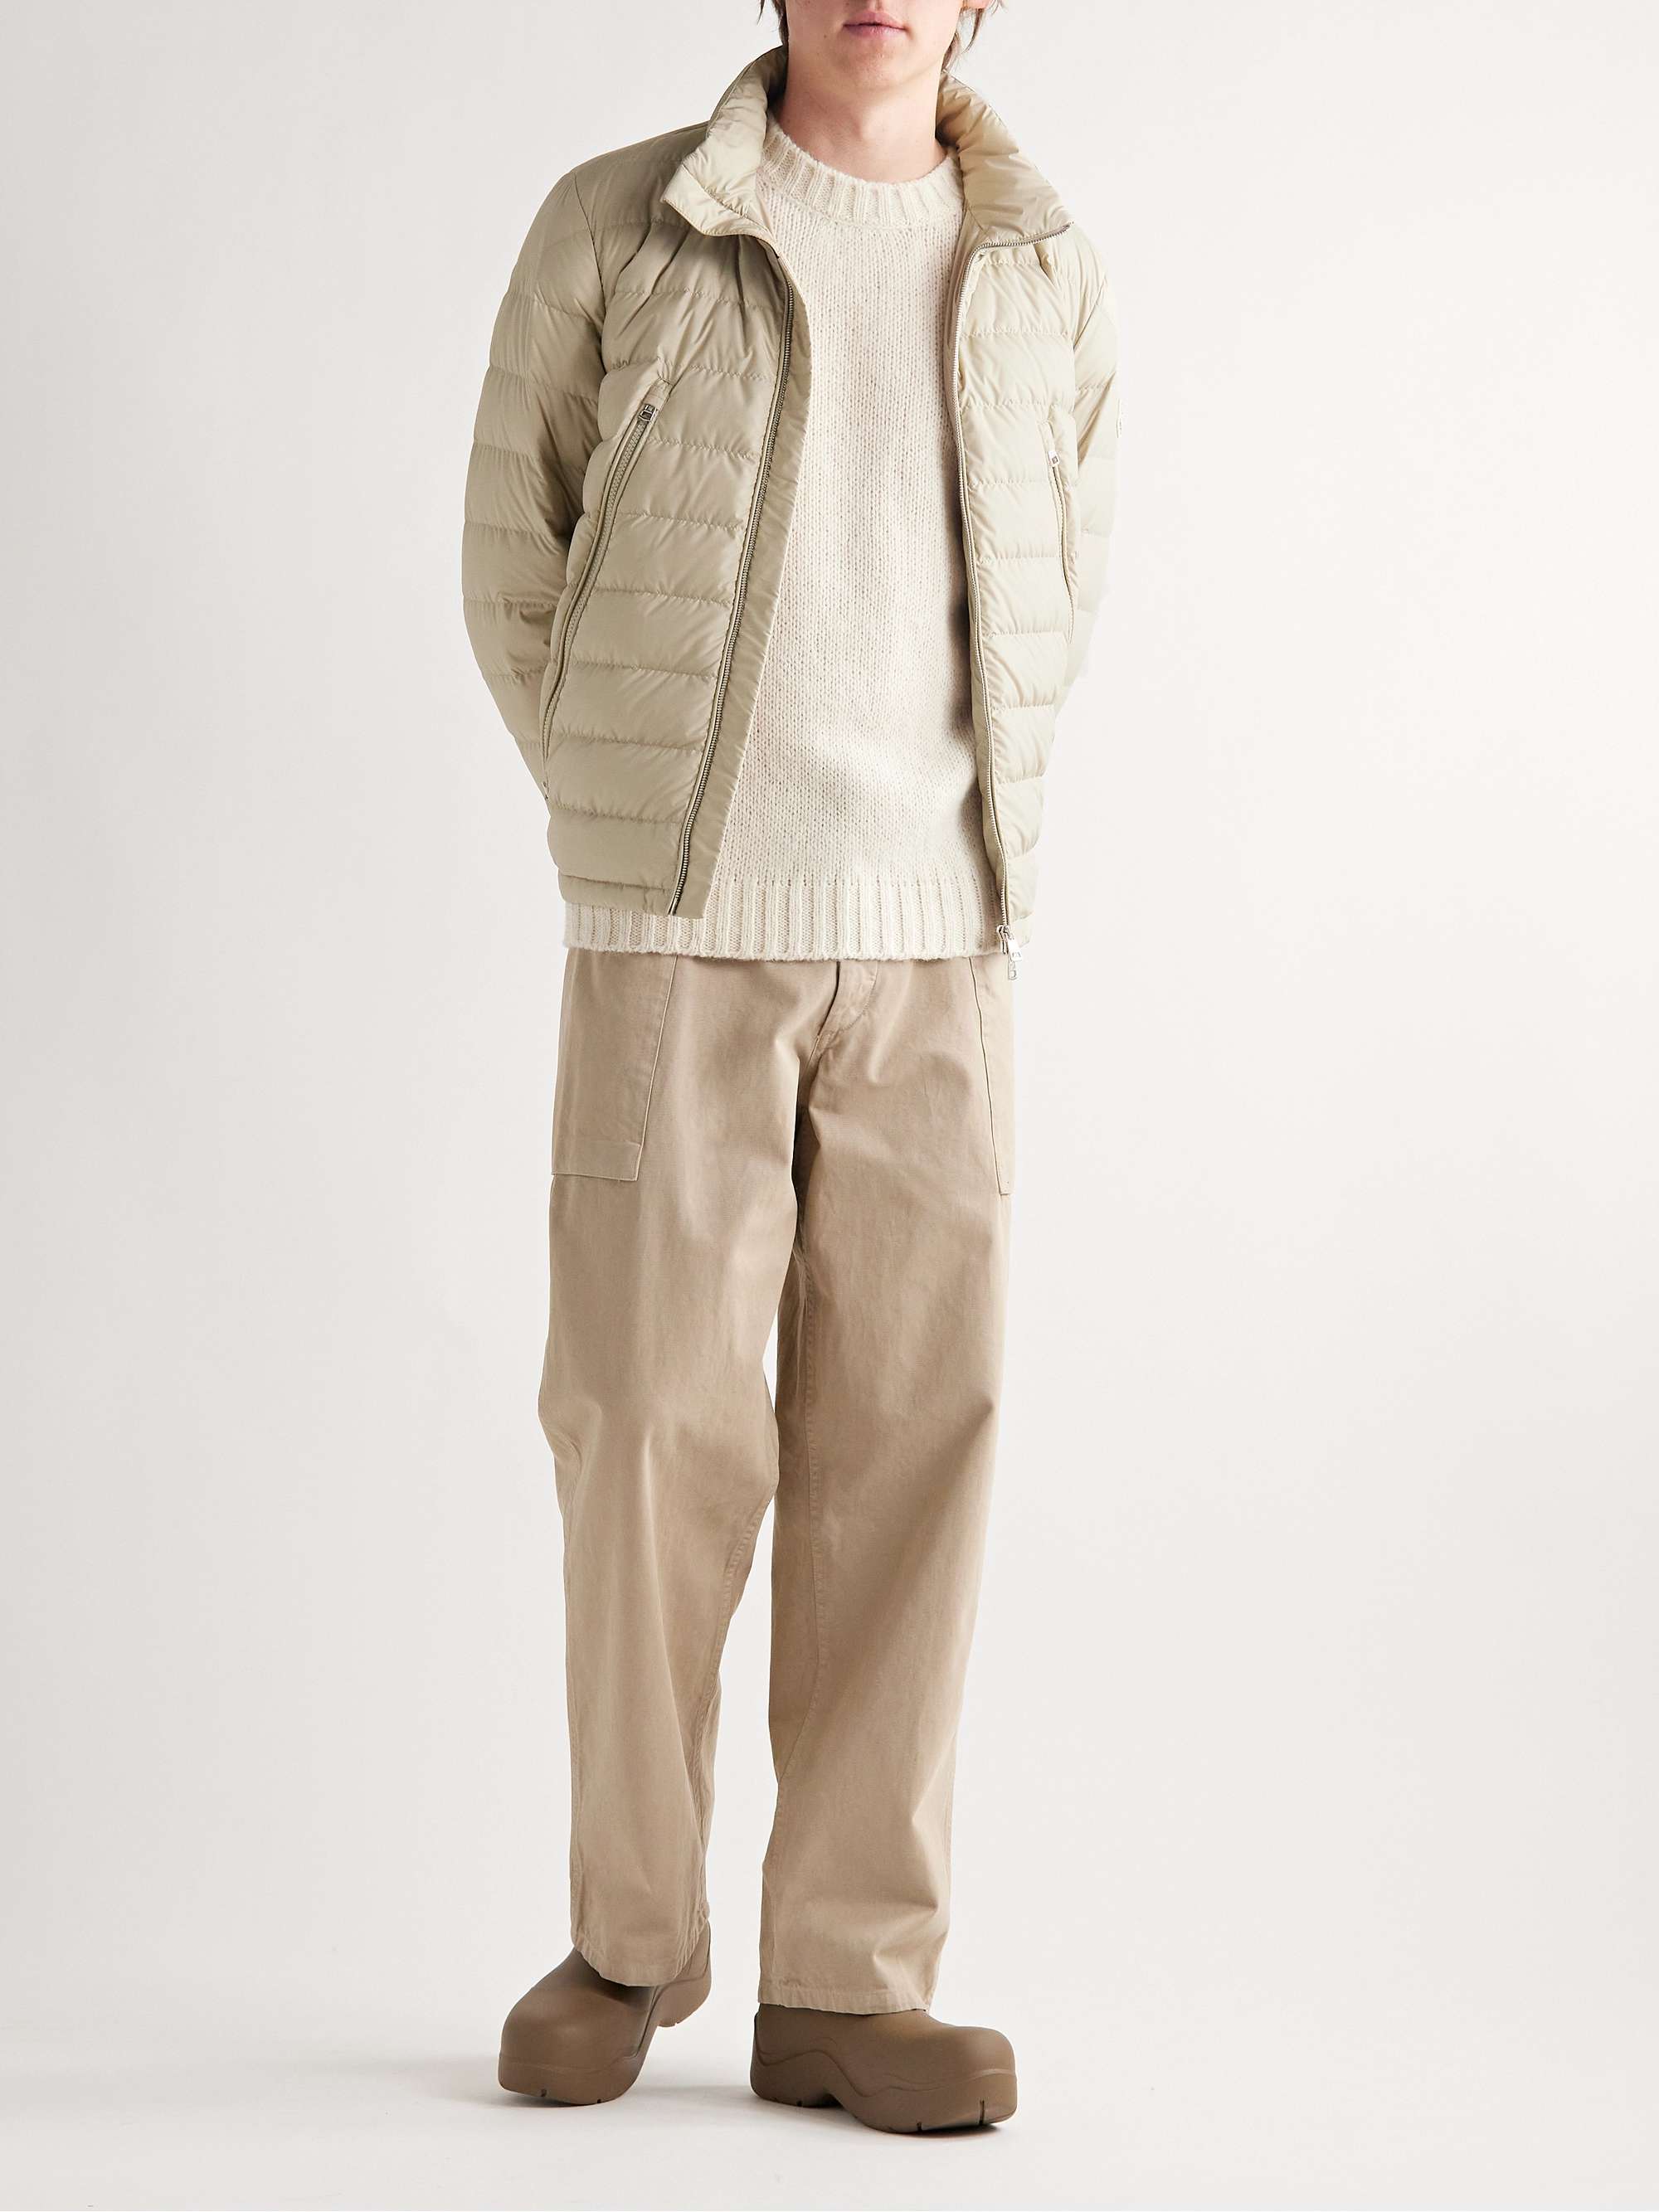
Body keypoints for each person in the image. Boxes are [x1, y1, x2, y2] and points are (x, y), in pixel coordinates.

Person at [461, 0, 1118, 2133]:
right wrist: (630, 808)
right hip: (678, 932)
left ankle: (848, 1977)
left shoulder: (1042, 264)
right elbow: (514, 555)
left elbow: (1062, 571)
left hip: (938, 948)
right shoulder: (622, 224)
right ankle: (627, 1936)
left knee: (911, 1448)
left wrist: (963, 838)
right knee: (646, 1429)